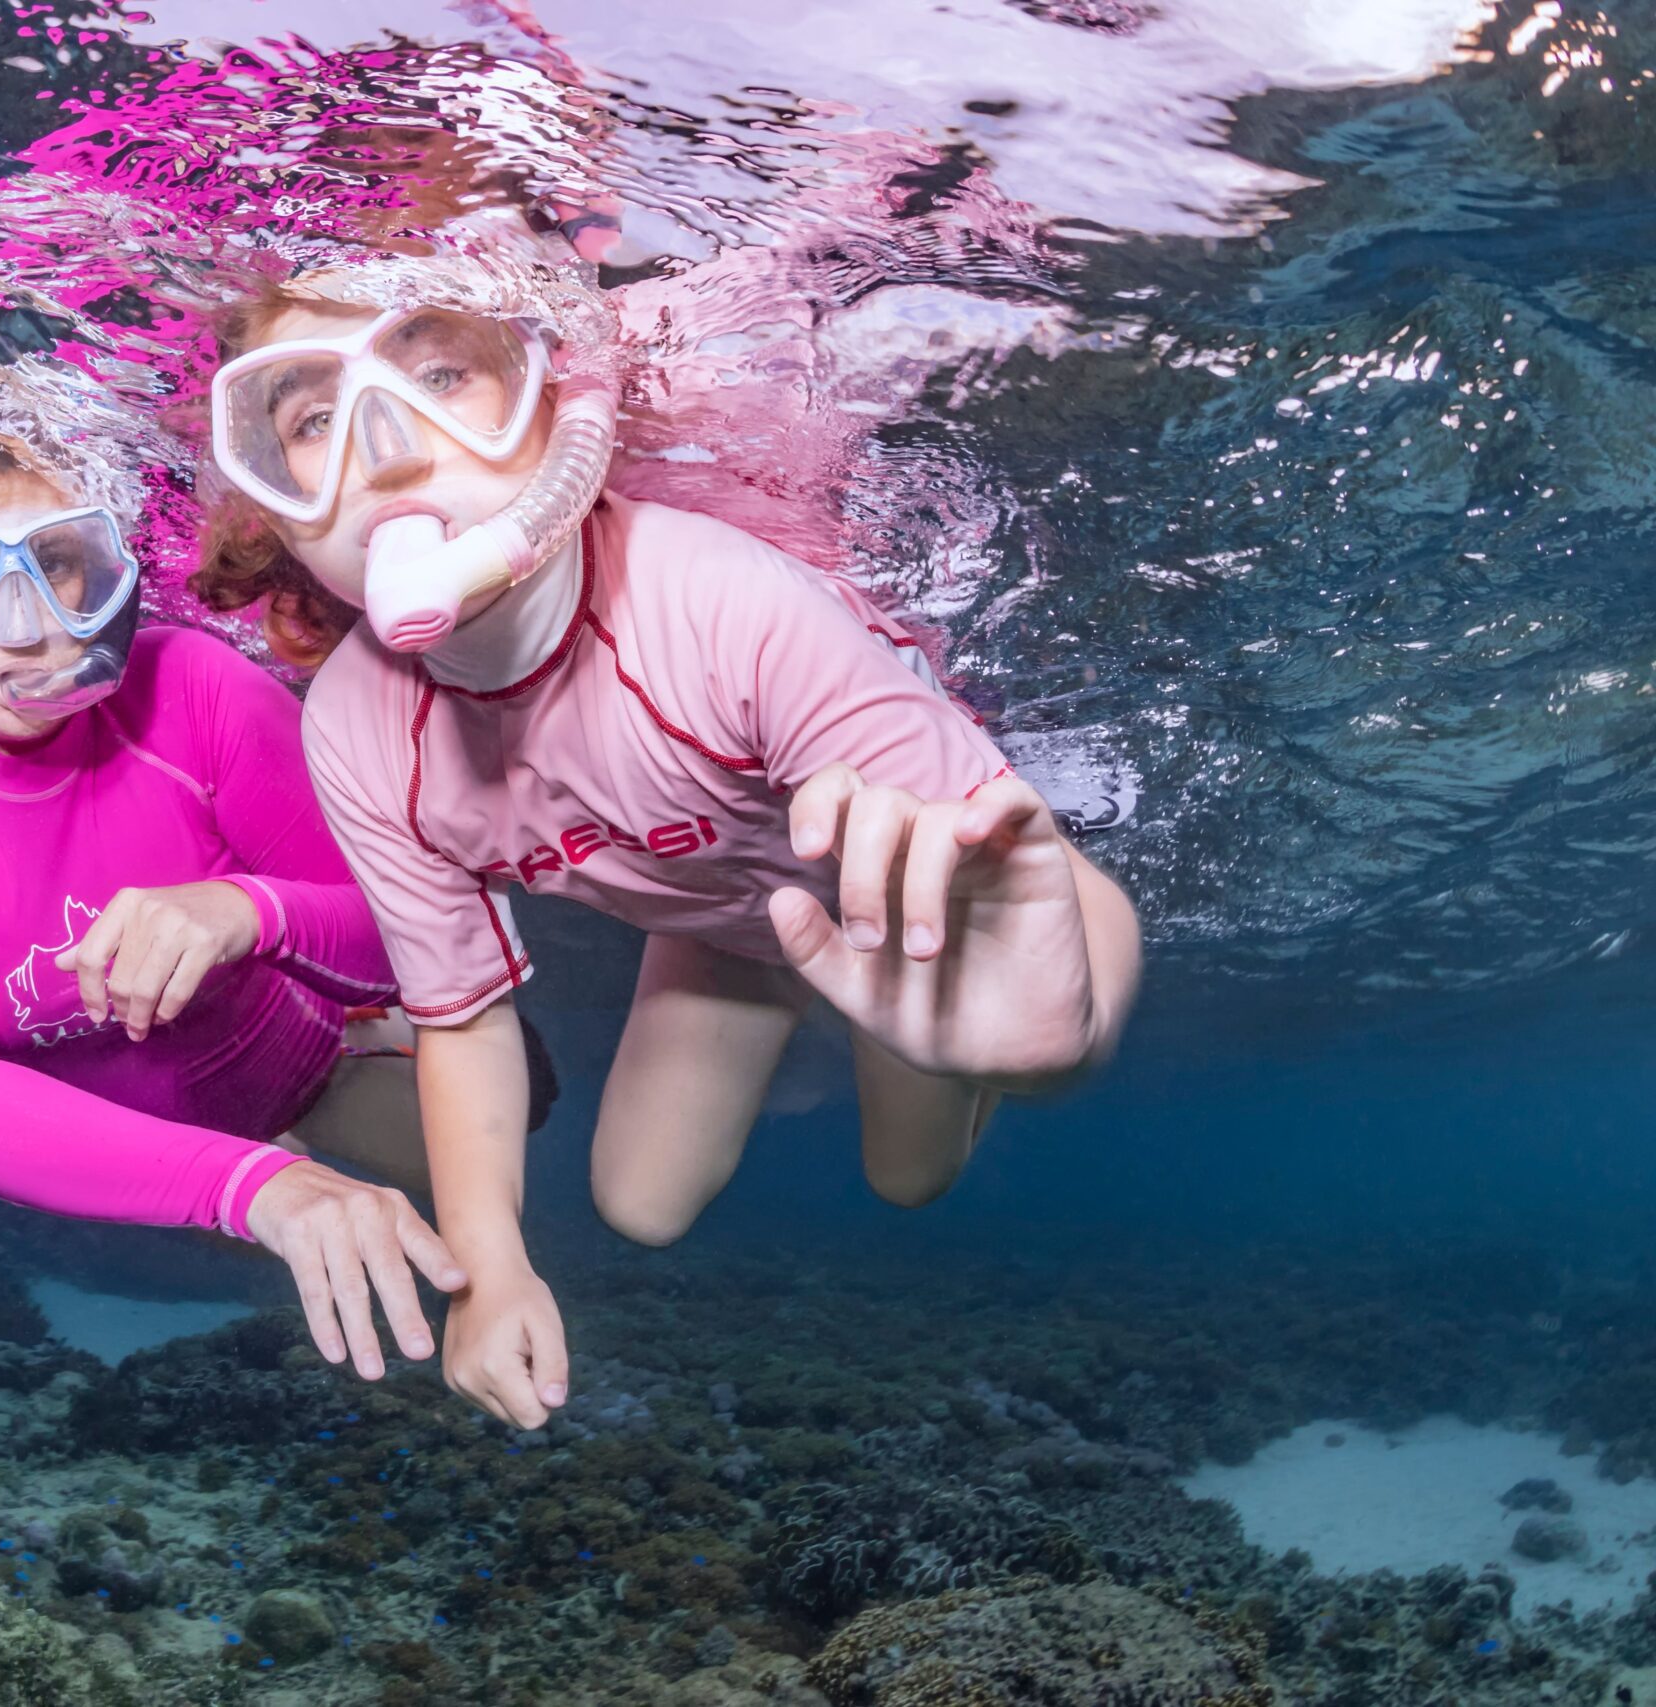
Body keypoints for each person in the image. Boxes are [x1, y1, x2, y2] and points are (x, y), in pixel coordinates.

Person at [191, 250, 1144, 1432]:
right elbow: (459, 1015)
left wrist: (1044, 1041)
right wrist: (490, 1272)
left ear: (559, 413)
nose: (383, 446)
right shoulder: (351, 721)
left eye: (441, 372)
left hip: (910, 893)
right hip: (722, 917)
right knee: (639, 1204)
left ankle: (982, 996)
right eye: (312, 416)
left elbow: (991, 864)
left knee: (914, 1174)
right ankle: (849, 1006)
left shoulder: (712, 599)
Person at [0, 385, 486, 1382]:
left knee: (524, 1112)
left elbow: (420, 933)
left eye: (58, 566)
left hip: (311, 1065)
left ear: (113, 580)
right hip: (140, 1156)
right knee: (267, 1238)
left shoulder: (195, 687)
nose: (20, 632)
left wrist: (250, 910)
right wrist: (251, 1184)